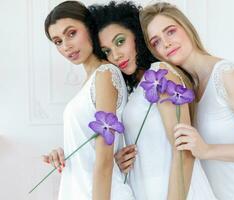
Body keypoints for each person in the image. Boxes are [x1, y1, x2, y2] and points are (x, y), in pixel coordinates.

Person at [139, 2, 234, 200]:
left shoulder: (226, 75)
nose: (166, 43)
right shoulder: (186, 91)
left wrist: (208, 150)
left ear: (187, 28)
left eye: (170, 32)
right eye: (156, 42)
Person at [90, 1, 217, 199]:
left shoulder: (160, 74)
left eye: (120, 41)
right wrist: (120, 162)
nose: (116, 55)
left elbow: (184, 152)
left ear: (137, 37)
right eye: (106, 51)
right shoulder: (133, 92)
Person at [42, 1, 134, 199]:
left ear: (89, 27)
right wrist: (67, 154)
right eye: (58, 41)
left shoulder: (105, 74)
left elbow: (104, 159)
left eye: (71, 33)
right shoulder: (90, 81)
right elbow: (91, 149)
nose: (66, 46)